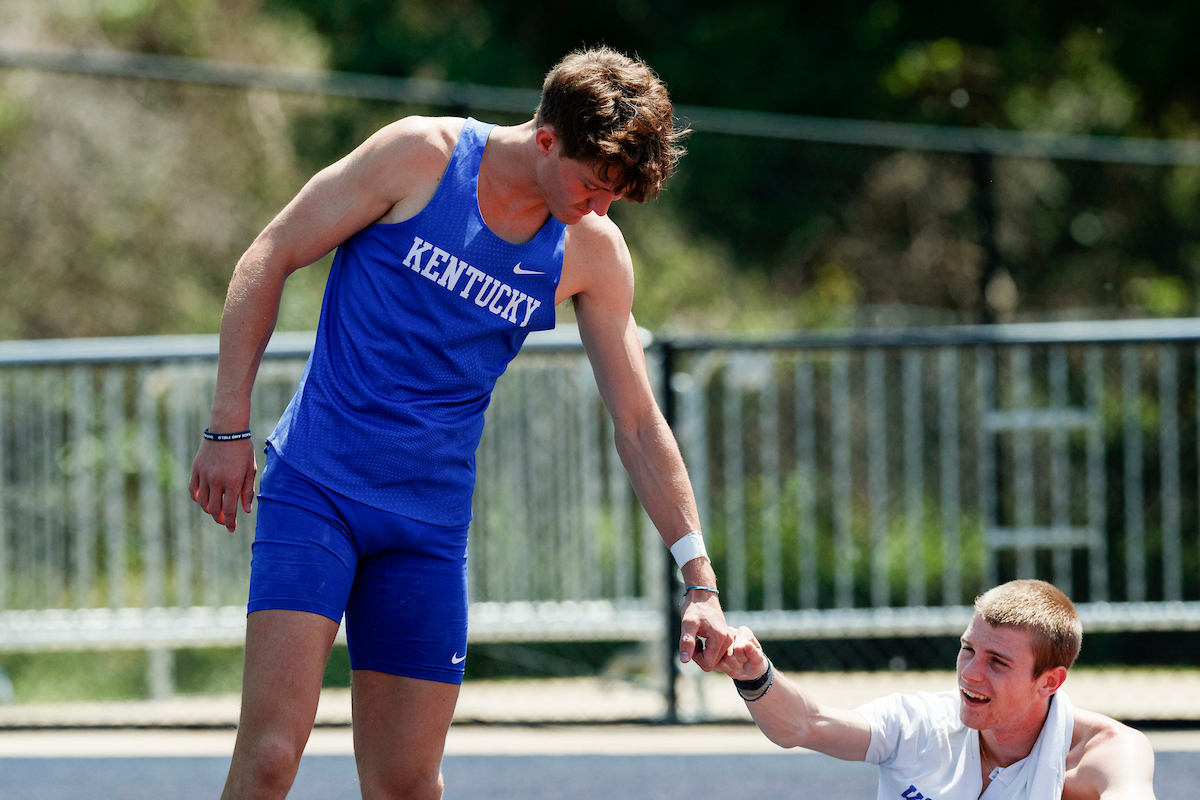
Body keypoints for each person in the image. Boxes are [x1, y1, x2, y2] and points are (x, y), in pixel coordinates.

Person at [189, 46, 731, 800]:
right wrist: (227, 427)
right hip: (318, 488)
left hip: (426, 526)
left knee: (408, 784)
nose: (600, 207)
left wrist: (698, 577)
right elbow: (271, 252)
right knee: (272, 756)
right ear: (546, 139)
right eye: (592, 183)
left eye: (615, 196)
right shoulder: (420, 156)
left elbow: (639, 422)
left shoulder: (590, 250)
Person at [718, 579, 1156, 799]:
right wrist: (754, 674)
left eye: (997, 662)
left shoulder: (1106, 752)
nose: (970, 674)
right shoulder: (918, 724)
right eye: (968, 649)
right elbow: (804, 725)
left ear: (1050, 681)